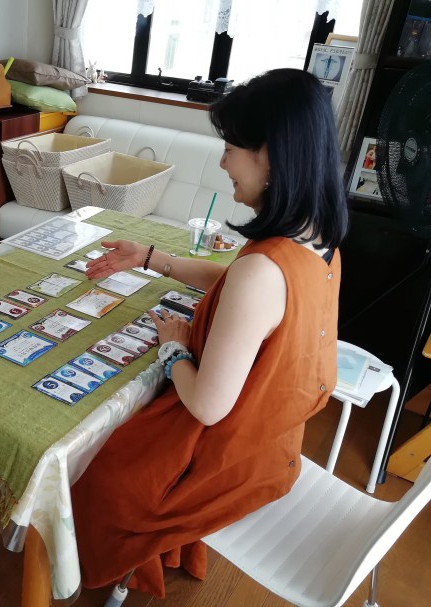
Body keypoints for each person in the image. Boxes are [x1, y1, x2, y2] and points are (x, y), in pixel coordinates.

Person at [71, 68, 348, 598]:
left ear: (271, 157)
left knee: (100, 471)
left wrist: (174, 348)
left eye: (230, 149)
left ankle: (78, 570)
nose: (222, 163)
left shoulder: (262, 271)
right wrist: (152, 257)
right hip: (274, 442)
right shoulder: (319, 239)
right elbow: (240, 287)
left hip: (232, 462)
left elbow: (206, 406)